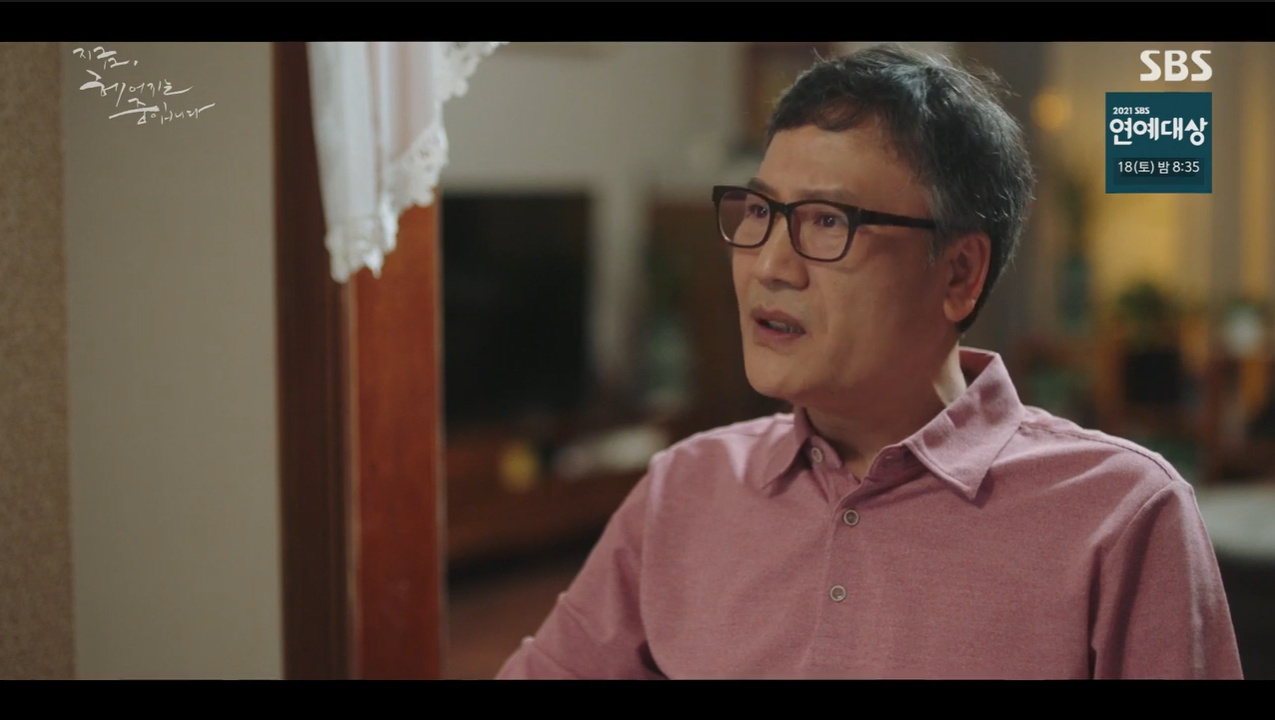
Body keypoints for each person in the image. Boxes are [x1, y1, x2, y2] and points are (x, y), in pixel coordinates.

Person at [496, 44, 1243, 679]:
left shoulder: (1121, 514)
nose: (769, 266)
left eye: (828, 221)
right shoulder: (685, 487)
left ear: (959, 274)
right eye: (759, 212)